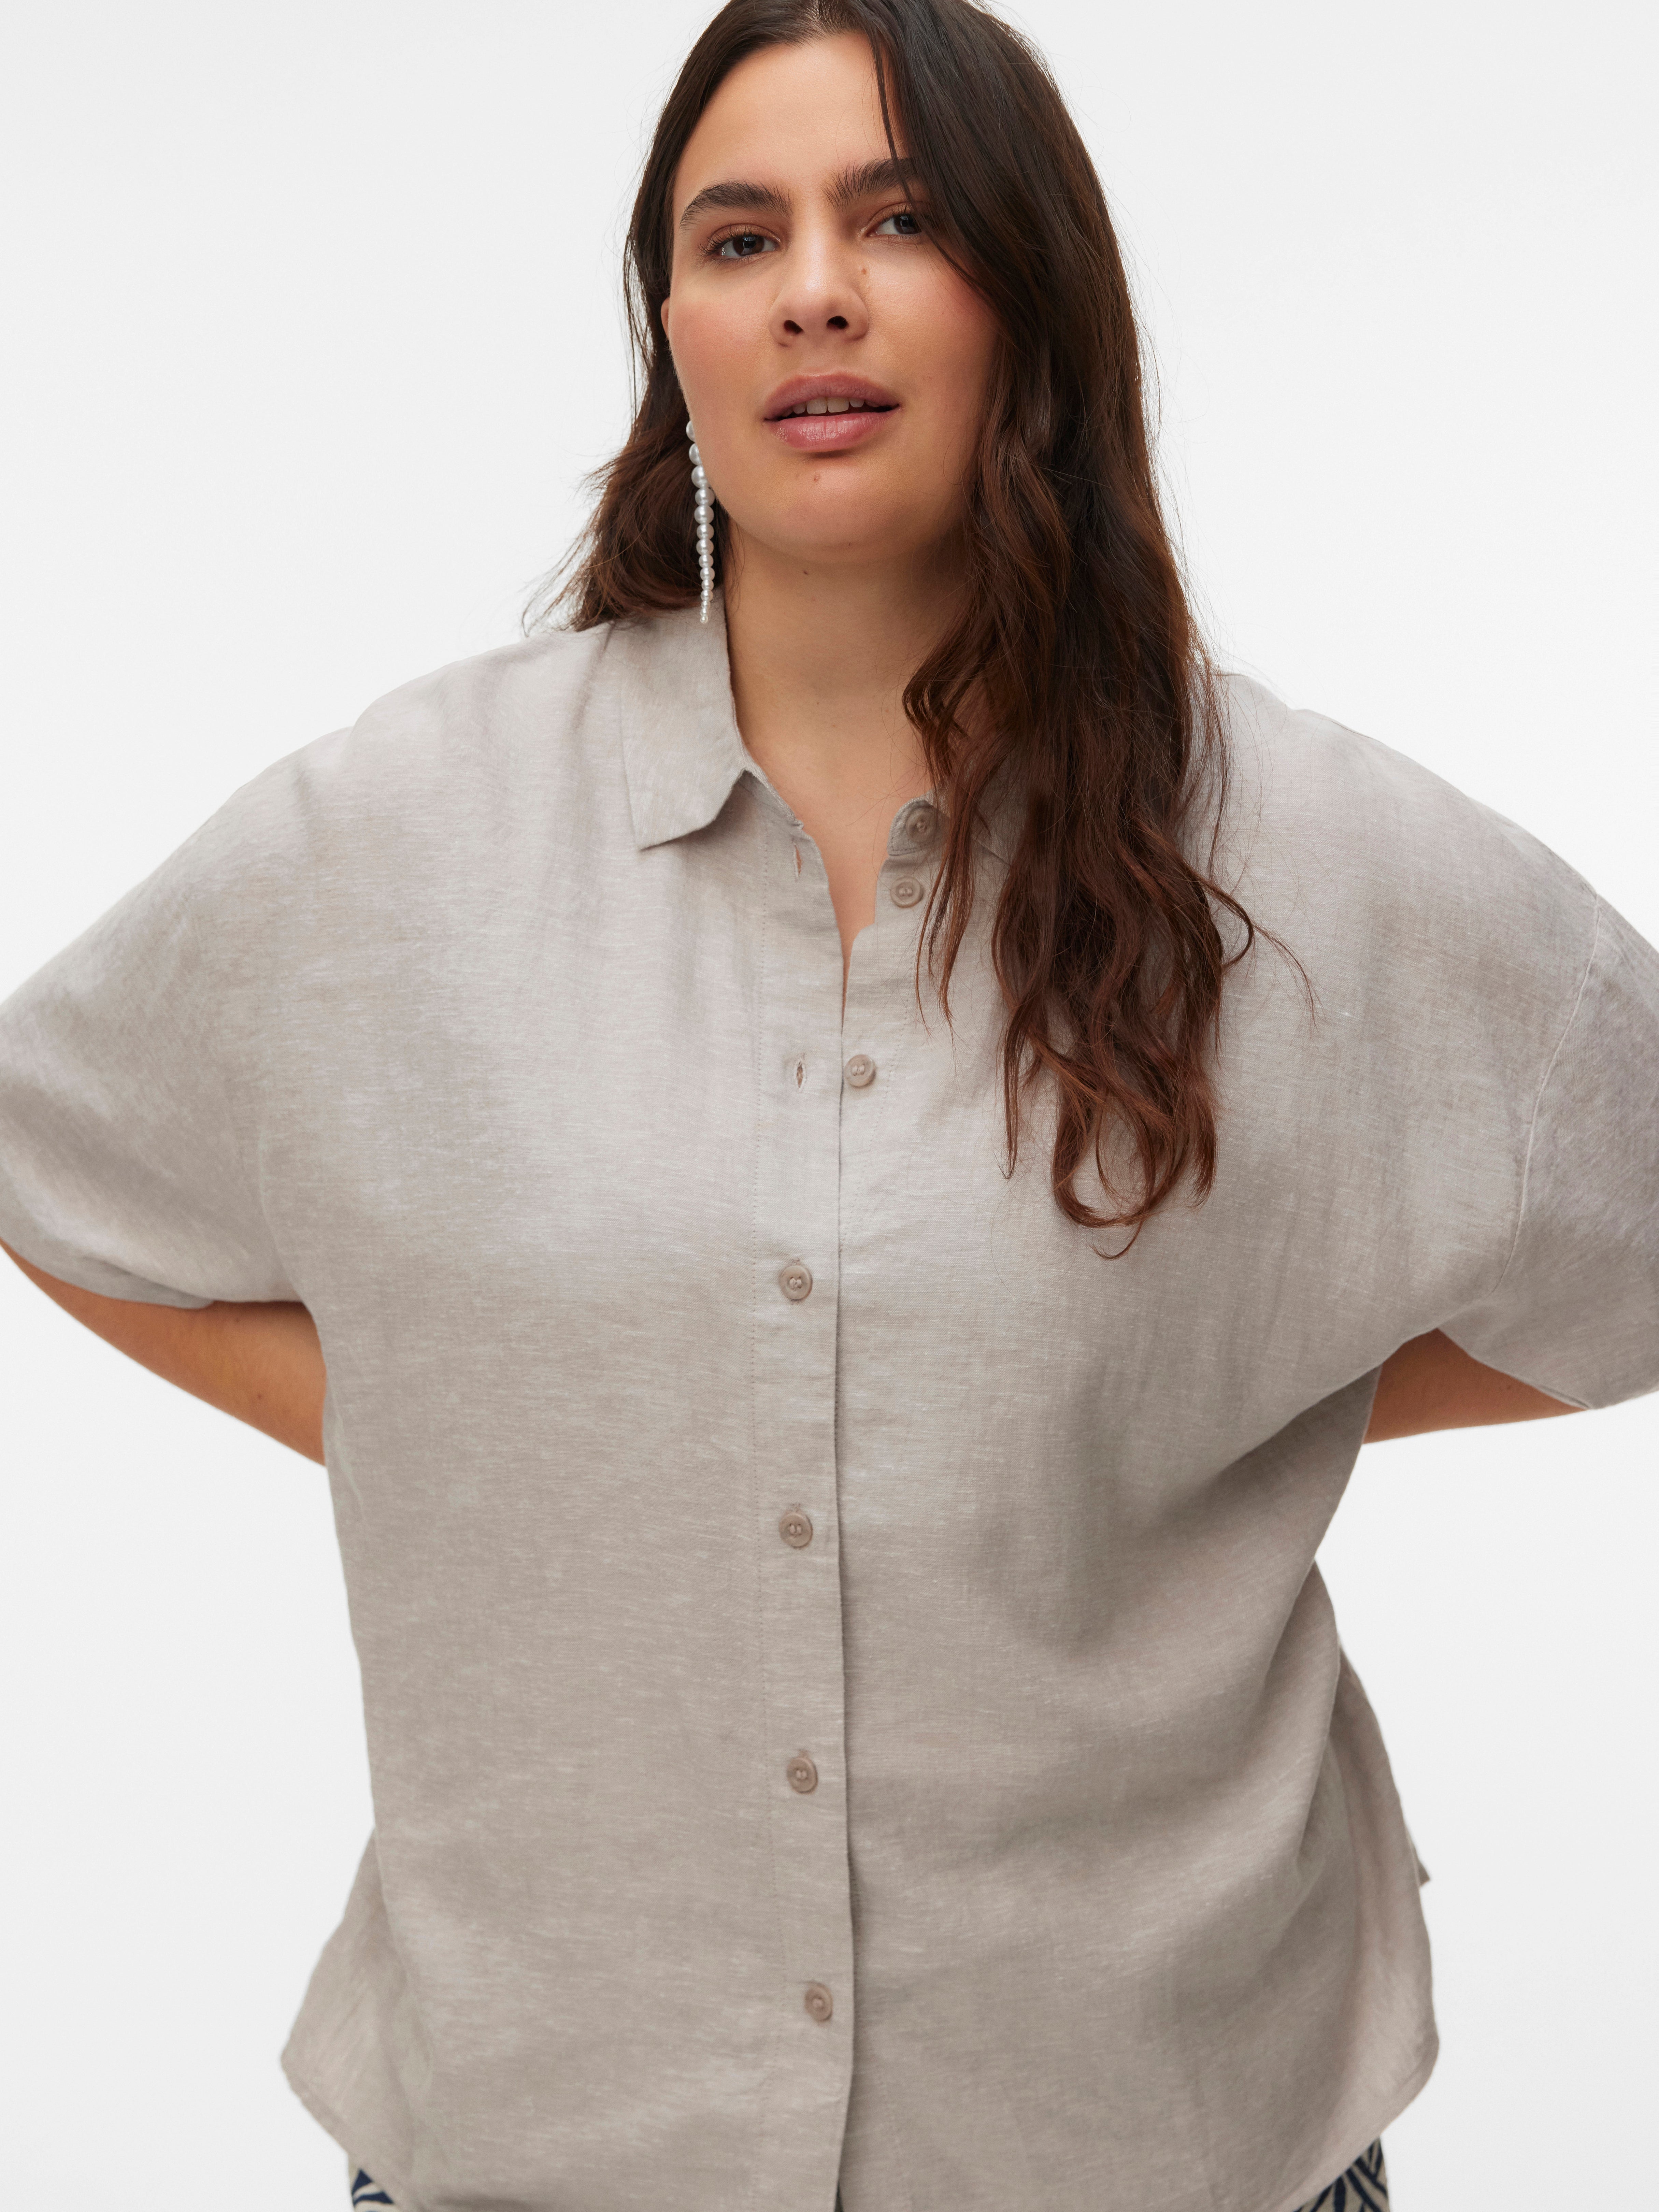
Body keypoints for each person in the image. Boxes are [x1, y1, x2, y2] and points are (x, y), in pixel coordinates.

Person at [2, 0, 1654, 2206]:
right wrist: (461, 1403)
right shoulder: (395, 843)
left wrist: (1252, 1391)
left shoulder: (1318, 865)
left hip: (1160, 2139)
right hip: (543, 2140)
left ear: (1030, 300)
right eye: (737, 236)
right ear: (672, 330)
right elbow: (51, 1159)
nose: (812, 290)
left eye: (898, 219)